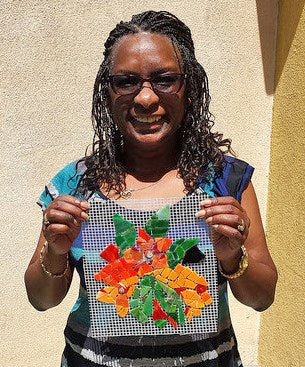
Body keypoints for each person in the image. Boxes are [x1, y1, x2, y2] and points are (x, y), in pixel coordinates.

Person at [24, 10, 277, 367]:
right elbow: (41, 299)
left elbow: (262, 298)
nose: (145, 98)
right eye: (126, 81)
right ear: (106, 93)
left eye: (165, 79)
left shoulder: (225, 180)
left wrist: (233, 257)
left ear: (189, 87)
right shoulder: (75, 185)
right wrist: (55, 250)